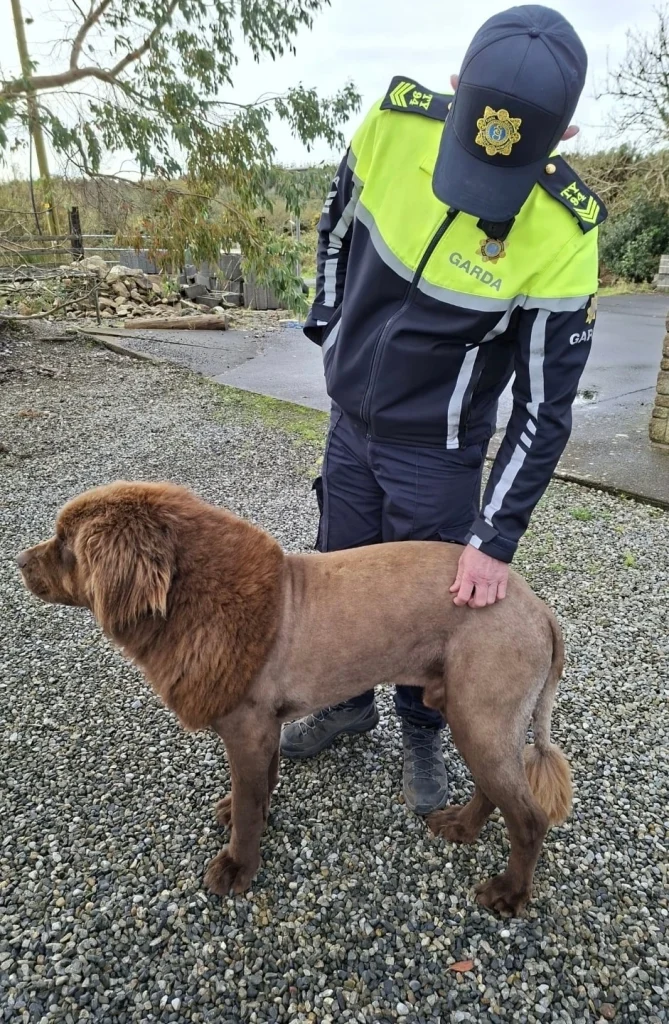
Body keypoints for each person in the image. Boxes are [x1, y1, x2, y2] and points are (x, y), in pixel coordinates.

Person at [280, 4, 605, 815]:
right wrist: (328, 329)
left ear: (559, 141)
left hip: (440, 451)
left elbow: (542, 409)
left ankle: (423, 735)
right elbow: (331, 229)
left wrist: (494, 542)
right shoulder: (391, 128)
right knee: (335, 579)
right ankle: (347, 707)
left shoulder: (564, 232)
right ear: (455, 90)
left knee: (433, 613)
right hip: (349, 429)